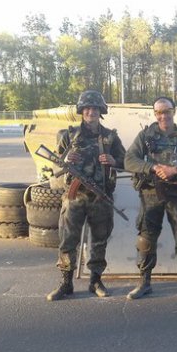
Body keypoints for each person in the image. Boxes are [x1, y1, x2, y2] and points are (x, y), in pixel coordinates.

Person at [47, 90, 126, 301]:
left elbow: (126, 161)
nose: (91, 112)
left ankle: (96, 280)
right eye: (88, 108)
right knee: (67, 240)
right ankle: (66, 282)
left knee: (99, 240)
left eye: (95, 109)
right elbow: (54, 166)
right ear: (82, 111)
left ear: (101, 111)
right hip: (74, 198)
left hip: (101, 197)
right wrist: (66, 157)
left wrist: (112, 159)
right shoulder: (68, 135)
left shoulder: (110, 137)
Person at [124, 96, 177, 299]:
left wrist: (176, 170)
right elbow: (129, 160)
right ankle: (144, 282)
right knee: (146, 239)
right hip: (151, 194)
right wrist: (151, 167)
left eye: (167, 111)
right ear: (155, 114)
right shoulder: (145, 136)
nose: (163, 116)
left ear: (174, 111)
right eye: (159, 112)